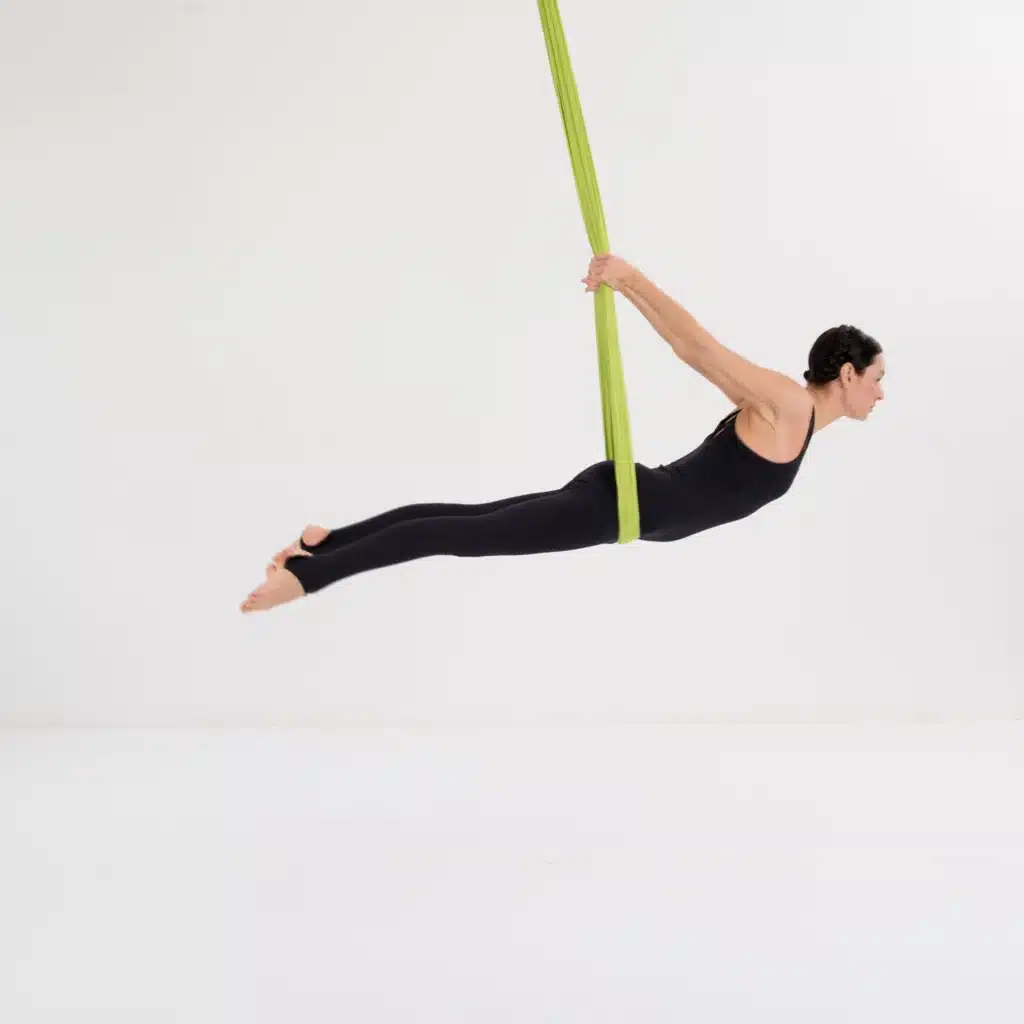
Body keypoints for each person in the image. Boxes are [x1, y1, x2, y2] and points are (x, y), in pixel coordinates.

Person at [240, 253, 885, 613]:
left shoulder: (801, 425)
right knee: (464, 535)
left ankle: (324, 543)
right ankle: (309, 578)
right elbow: (698, 349)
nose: (881, 393)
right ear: (848, 374)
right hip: (628, 507)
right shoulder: (787, 404)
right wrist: (629, 280)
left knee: (467, 522)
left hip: (630, 499)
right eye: (876, 378)